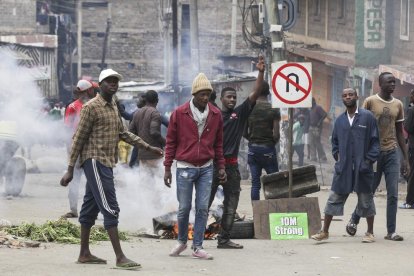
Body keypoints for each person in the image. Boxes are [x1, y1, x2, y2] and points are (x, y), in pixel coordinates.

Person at [60, 69, 163, 269]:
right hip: (94, 161)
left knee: (89, 208)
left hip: (107, 162)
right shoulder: (91, 107)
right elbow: (78, 138)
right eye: (109, 81)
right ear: (101, 84)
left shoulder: (114, 107)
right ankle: (120, 256)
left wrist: (148, 147)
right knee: (110, 207)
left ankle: (84, 253)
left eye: (116, 82)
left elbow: (124, 133)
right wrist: (70, 169)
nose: (113, 85)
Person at [164, 73, 226, 260]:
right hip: (184, 167)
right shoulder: (179, 113)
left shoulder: (216, 115)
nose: (205, 98)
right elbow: (170, 142)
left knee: (202, 209)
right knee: (184, 208)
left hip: (206, 167)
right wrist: (167, 167)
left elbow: (219, 144)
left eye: (208, 94)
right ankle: (182, 241)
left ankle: (197, 246)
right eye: (201, 94)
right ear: (194, 94)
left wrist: (221, 166)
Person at [208, 56, 265, 249]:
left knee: (231, 205)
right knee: (204, 204)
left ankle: (223, 239)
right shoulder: (212, 114)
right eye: (228, 97)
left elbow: (255, 93)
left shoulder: (239, 114)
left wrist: (261, 72)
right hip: (213, 166)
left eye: (234, 97)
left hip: (231, 167)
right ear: (221, 99)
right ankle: (197, 239)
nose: (232, 99)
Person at [346, 72, 410, 242]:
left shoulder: (398, 104)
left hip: (391, 153)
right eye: (389, 82)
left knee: (393, 194)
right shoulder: (370, 102)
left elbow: (399, 132)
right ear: (380, 84)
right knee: (369, 192)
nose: (393, 85)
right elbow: (360, 128)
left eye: (394, 82)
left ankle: (391, 231)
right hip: (372, 154)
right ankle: (354, 219)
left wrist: (406, 159)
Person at [311, 88, 380, 243]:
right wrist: (338, 158)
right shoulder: (340, 121)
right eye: (344, 95)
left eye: (351, 94)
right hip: (344, 169)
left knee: (366, 200)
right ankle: (324, 231)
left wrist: (368, 161)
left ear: (356, 97)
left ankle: (370, 232)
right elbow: (334, 142)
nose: (348, 97)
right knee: (334, 198)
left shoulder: (367, 117)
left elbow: (375, 142)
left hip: (363, 168)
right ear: (342, 99)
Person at [62, 80, 96, 218]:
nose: (94, 92)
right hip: (76, 148)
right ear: (87, 91)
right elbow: (66, 130)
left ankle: (92, 210)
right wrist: (69, 149)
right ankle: (73, 209)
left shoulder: (93, 106)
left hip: (91, 149)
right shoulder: (73, 107)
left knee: (92, 180)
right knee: (75, 179)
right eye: (92, 90)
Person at [246, 81, 280, 201]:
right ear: (268, 92)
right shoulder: (273, 109)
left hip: (253, 150)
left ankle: (257, 214)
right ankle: (273, 211)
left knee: (255, 184)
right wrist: (270, 144)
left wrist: (252, 139)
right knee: (274, 183)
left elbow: (244, 131)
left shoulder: (249, 108)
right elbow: (276, 135)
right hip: (268, 150)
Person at [130, 90, 165, 173]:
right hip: (155, 154)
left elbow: (130, 132)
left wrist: (140, 141)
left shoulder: (137, 113)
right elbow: (154, 132)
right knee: (159, 181)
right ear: (157, 100)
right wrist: (165, 142)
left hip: (142, 154)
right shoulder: (155, 113)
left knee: (146, 182)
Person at [400, 89, 414, 209]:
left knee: (411, 174)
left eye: (412, 94)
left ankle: (409, 202)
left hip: (412, 146)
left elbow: (408, 128)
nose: (410, 96)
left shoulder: (411, 109)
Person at [309, 97, 327, 162]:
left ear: (313, 101)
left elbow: (325, 114)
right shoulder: (310, 109)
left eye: (310, 102)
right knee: (311, 142)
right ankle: (313, 157)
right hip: (311, 127)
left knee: (317, 142)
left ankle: (323, 156)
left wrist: (319, 122)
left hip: (317, 127)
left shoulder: (317, 107)